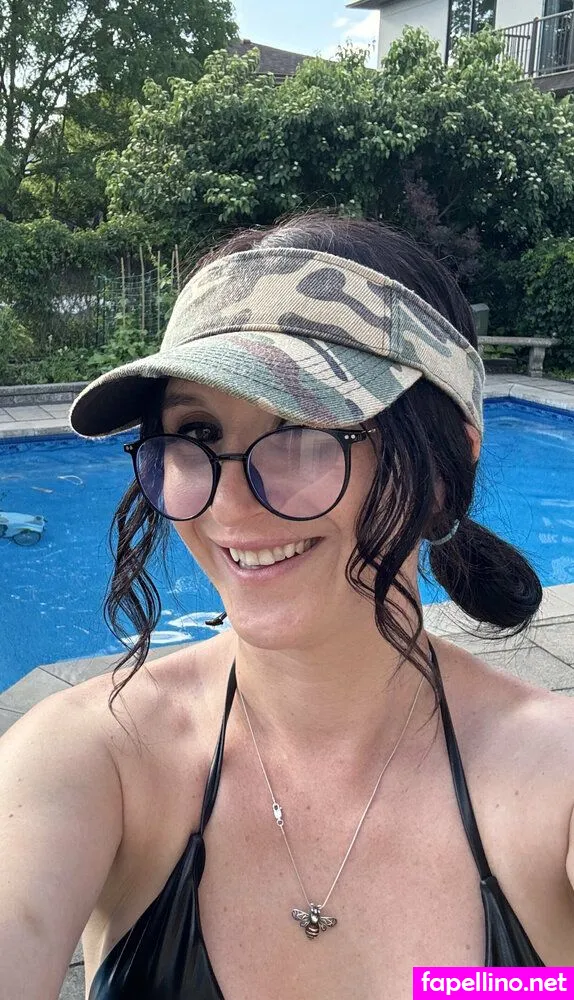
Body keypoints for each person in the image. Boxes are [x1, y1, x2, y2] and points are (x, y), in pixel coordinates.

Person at [1, 213, 573, 1000]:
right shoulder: (91, 760)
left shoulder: (554, 781)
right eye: (198, 431)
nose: (230, 503)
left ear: (445, 470)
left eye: (303, 429)